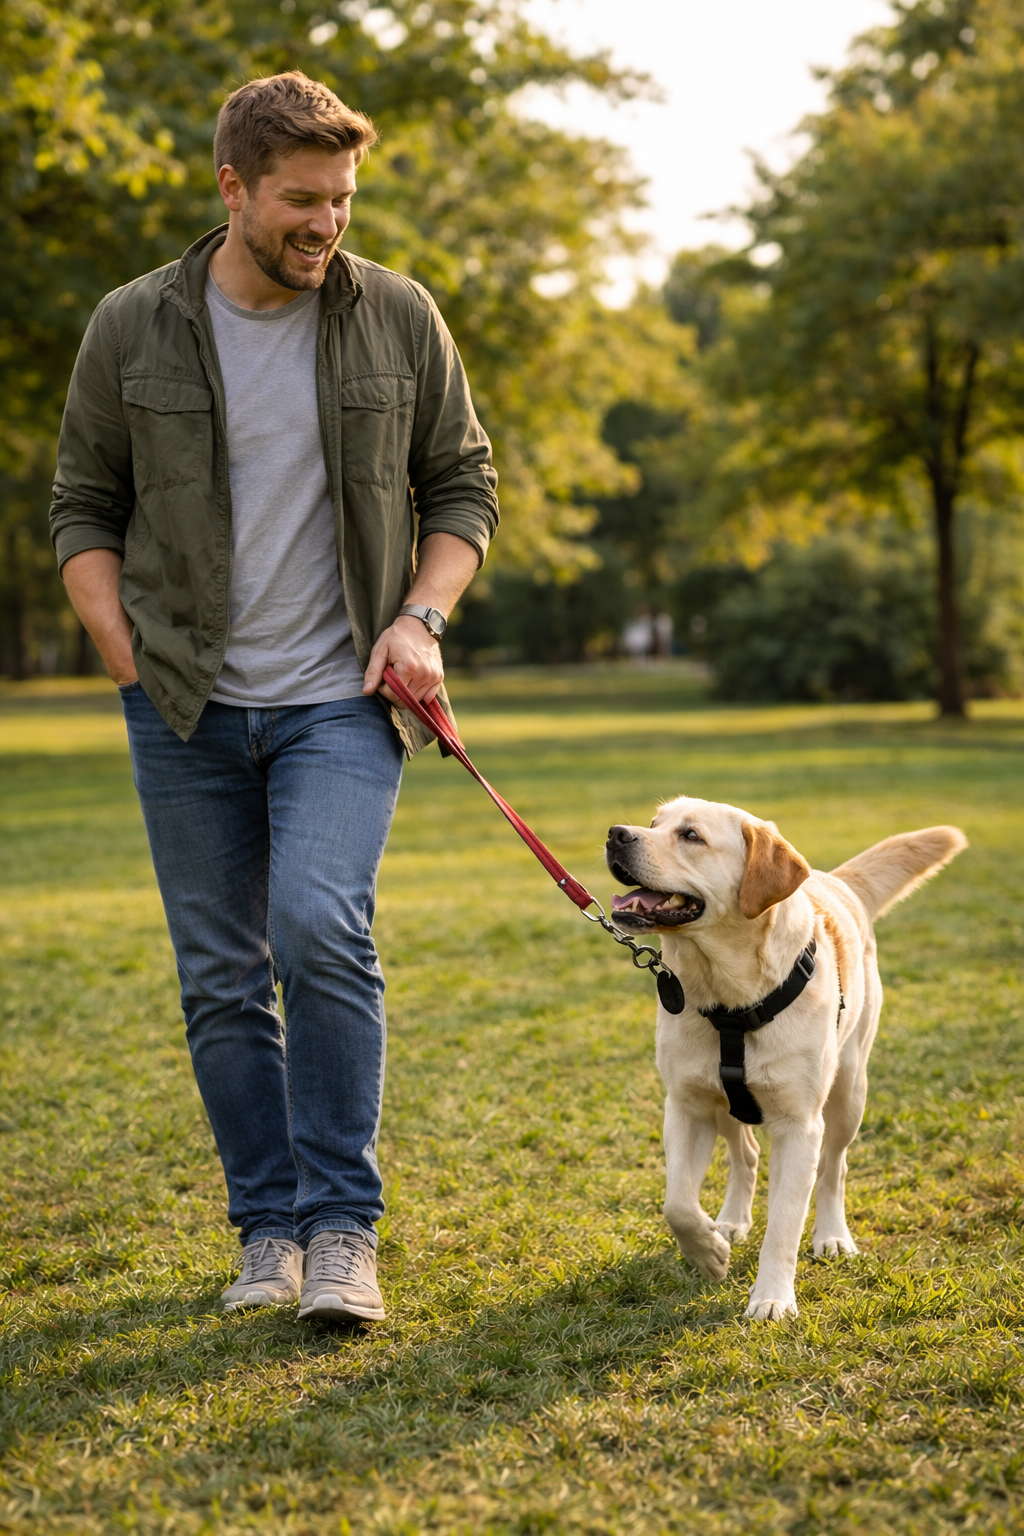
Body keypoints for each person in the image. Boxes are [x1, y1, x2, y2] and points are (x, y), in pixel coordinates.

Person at [50, 72, 499, 1324]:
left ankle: (343, 1228)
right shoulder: (131, 325)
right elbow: (83, 502)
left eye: (343, 199)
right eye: (301, 200)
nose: (327, 224)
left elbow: (462, 487)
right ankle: (267, 1229)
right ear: (232, 187)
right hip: (182, 705)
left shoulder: (398, 316)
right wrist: (118, 645)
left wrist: (421, 618)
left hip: (342, 698)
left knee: (316, 923)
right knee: (221, 976)